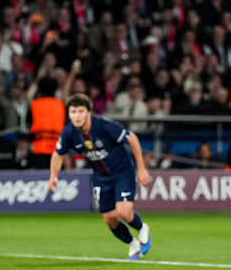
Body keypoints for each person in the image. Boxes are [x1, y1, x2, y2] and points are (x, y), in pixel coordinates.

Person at [47, 94, 153, 260]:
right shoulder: (68, 132)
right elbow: (58, 153)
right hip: (100, 177)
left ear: (89, 113)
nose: (76, 115)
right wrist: (53, 176)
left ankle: (142, 228)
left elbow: (132, 138)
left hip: (122, 172)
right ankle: (133, 244)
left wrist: (141, 169)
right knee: (110, 219)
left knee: (124, 212)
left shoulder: (103, 126)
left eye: (80, 111)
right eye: (73, 111)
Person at [29, 77, 66, 168]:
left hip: (39, 148)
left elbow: (27, 125)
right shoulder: (60, 105)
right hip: (57, 148)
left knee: (41, 178)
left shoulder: (34, 104)